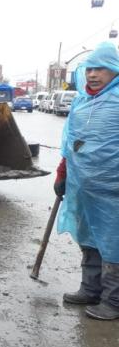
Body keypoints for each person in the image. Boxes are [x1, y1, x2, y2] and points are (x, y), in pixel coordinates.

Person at [55, 41, 119, 320]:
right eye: (90, 68)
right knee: (88, 238)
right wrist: (62, 172)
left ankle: (114, 301)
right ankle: (90, 289)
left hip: (113, 190)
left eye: (100, 69)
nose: (93, 74)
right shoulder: (80, 101)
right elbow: (70, 141)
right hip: (82, 186)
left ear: (114, 71)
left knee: (113, 242)